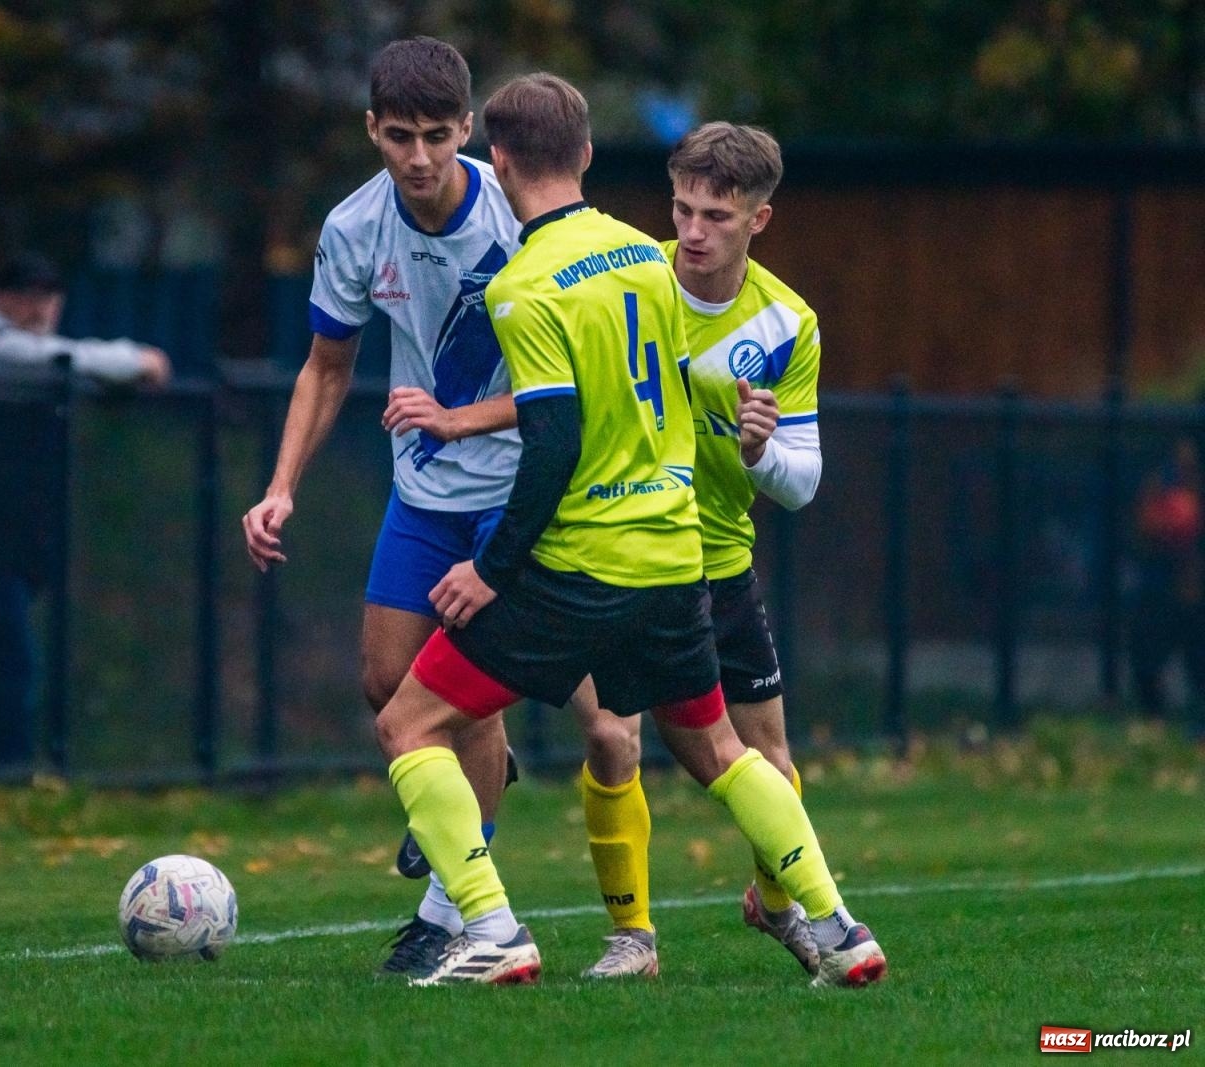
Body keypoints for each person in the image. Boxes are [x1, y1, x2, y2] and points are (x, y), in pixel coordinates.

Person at [373, 72, 885, 989]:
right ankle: (839, 926)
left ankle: (491, 925)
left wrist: (492, 567)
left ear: (496, 162)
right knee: (725, 751)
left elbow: (556, 438)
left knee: (411, 719)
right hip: (675, 558)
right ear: (588, 157)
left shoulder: (525, 286)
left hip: (579, 565)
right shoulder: (645, 262)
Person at [241, 36, 549, 977]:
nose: (418, 159)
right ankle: (472, 797)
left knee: (457, 692)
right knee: (387, 682)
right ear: (372, 129)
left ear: (471, 134)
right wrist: (280, 486)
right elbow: (327, 365)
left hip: (514, 490)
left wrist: (462, 417)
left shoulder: (523, 217)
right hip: (423, 489)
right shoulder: (353, 228)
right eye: (400, 137)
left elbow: (571, 378)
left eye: (438, 137)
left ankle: (451, 905)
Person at [569, 122, 830, 978]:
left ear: (761, 219)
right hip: (618, 550)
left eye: (716, 214)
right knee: (612, 738)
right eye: (681, 207)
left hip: (718, 562)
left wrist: (761, 452)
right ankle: (632, 937)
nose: (691, 230)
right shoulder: (629, 281)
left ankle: (779, 904)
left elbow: (804, 481)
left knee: (772, 766)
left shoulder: (788, 322)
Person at [0, 252, 171, 772]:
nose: (40, 308)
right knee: (13, 664)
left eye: (49, 296)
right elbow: (68, 360)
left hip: (15, 542)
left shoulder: (32, 355)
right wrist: (137, 360)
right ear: (0, 299)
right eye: (27, 296)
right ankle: (10, 776)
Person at [1129, 437, 1204, 731]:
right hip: (1162, 588)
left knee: (1198, 666)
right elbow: (1143, 531)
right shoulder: (1159, 484)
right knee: (1146, 660)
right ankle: (1155, 721)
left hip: (1194, 592)